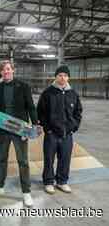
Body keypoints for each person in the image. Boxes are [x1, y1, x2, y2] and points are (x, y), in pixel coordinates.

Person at [0, 60, 38, 207]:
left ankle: (26, 192)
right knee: (2, 159)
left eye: (8, 69)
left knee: (23, 162)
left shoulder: (24, 86)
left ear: (13, 70)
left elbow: (31, 107)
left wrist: (34, 125)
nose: (6, 72)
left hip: (19, 129)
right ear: (1, 73)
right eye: (3, 70)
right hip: (2, 129)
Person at [37, 65, 82, 195]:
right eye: (60, 75)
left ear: (68, 78)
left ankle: (62, 181)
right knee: (49, 159)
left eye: (65, 76)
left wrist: (73, 127)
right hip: (52, 134)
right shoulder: (48, 93)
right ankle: (49, 182)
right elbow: (40, 112)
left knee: (65, 159)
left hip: (67, 134)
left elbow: (78, 112)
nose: (63, 78)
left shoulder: (73, 94)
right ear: (56, 77)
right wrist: (48, 129)